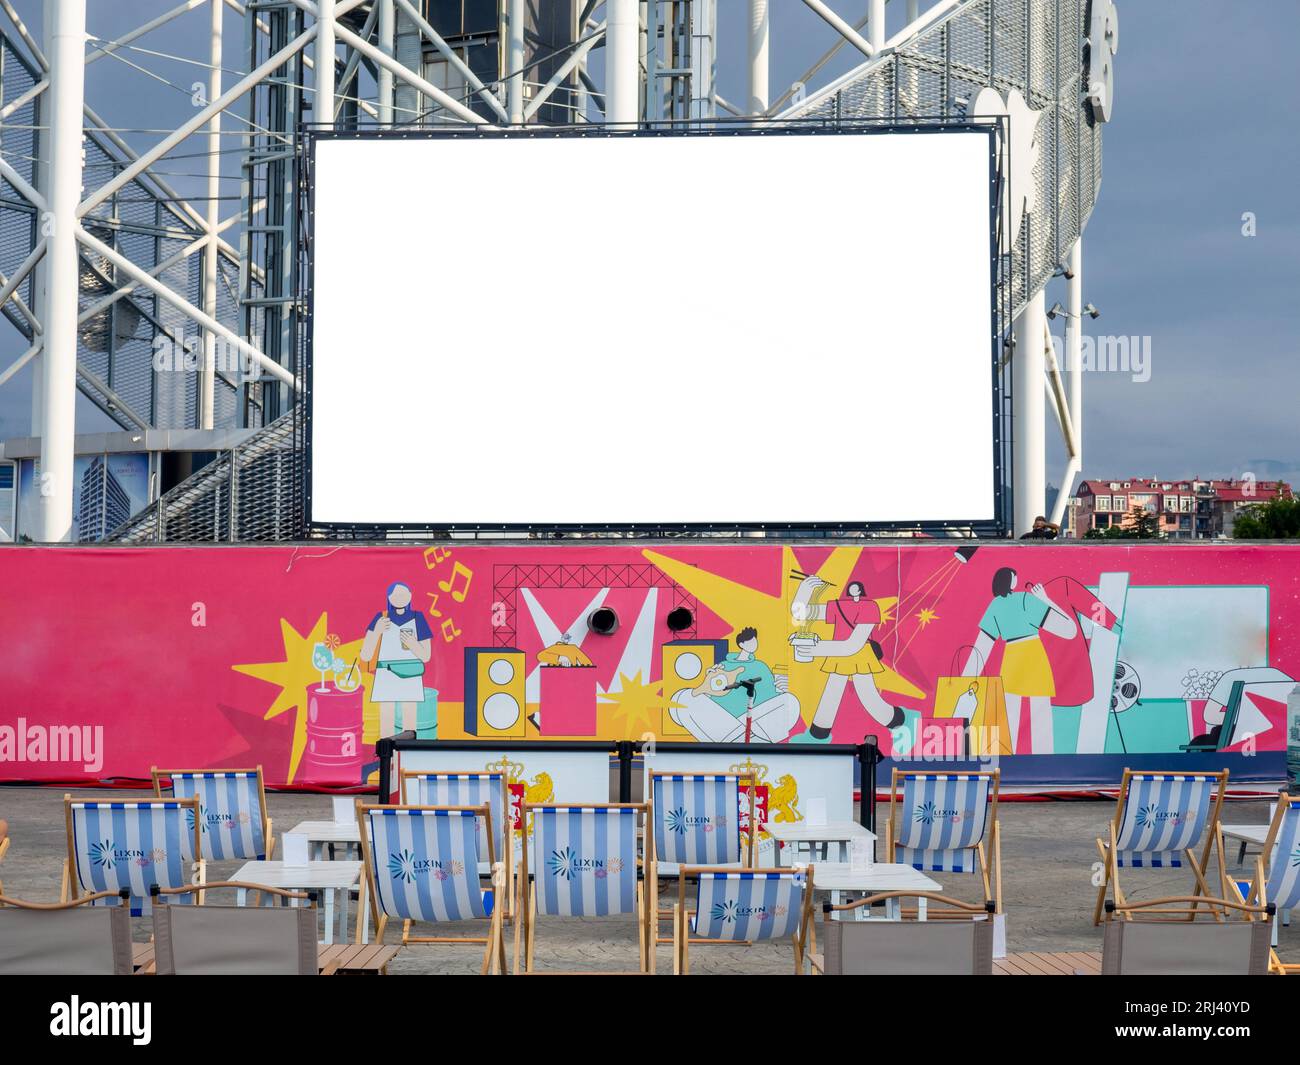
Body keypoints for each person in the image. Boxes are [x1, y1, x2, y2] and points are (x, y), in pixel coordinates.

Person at [961, 567, 1076, 753]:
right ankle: (1044, 765)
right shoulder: (1026, 600)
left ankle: (1006, 764)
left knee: (1009, 720)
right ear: (1012, 581)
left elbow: (982, 645)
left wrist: (965, 679)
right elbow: (1069, 630)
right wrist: (1046, 599)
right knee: (1041, 720)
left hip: (1012, 659)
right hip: (1034, 657)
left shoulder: (996, 605)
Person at [788, 576, 906, 744]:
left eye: (857, 586)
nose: (853, 588)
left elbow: (854, 643)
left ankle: (893, 718)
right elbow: (802, 613)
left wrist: (815, 649)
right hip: (839, 652)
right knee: (832, 690)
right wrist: (804, 589)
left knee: (867, 694)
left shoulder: (870, 607)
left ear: (861, 590)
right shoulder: (839, 605)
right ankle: (820, 730)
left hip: (859, 653)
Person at [667, 627, 801, 743]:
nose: (754, 644)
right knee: (682, 697)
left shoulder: (760, 666)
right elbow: (713, 694)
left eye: (755, 640)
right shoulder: (724, 665)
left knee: (790, 700)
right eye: (751, 641)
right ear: (741, 644)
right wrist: (706, 686)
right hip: (726, 722)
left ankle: (745, 737)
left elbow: (771, 694)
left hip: (757, 718)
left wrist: (782, 688)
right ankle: (744, 737)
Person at [360, 581, 432, 739]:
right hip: (386, 674)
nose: (400, 597)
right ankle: (387, 758)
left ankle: (407, 756)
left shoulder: (418, 618)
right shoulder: (381, 618)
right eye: (396, 594)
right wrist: (377, 631)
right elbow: (365, 655)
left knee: (409, 722)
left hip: (410, 674)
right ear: (389, 597)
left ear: (411, 596)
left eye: (404, 594)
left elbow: (426, 656)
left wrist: (413, 644)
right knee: (386, 720)